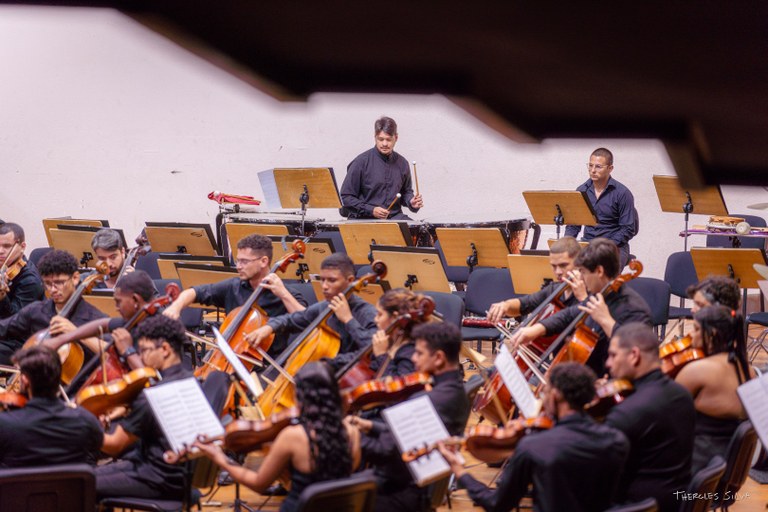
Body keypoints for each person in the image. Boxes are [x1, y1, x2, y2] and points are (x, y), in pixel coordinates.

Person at [440, 362, 629, 512]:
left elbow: (496, 504)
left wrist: (460, 472)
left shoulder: (535, 447)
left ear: (555, 396)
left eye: (545, 392)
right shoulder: (617, 441)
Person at [194, 361, 361, 511]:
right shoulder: (352, 432)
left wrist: (220, 458)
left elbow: (259, 484)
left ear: (301, 396)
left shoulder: (293, 437)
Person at [349, 321, 470, 512]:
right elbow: (407, 437)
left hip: (396, 494)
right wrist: (369, 426)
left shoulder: (427, 399)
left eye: (419, 353)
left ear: (438, 358)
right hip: (416, 487)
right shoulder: (456, 391)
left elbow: (383, 451)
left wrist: (348, 434)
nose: (413, 358)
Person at [510, 238, 651, 375]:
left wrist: (606, 321)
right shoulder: (599, 296)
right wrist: (537, 329)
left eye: (583, 272)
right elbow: (569, 314)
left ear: (599, 271)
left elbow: (637, 351)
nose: (581, 277)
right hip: (583, 377)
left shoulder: (633, 308)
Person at [96, 314, 196, 500]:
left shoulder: (153, 394)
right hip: (183, 476)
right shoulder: (191, 380)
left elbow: (115, 446)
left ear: (165, 349)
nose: (141, 357)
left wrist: (84, 426)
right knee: (88, 475)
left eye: (144, 350)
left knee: (80, 482)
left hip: (157, 479)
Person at [164, 234, 306, 358]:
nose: (238, 266)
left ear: (263, 261)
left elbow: (307, 321)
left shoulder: (286, 293)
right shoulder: (234, 286)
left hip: (268, 368)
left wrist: (283, 294)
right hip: (231, 361)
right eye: (238, 261)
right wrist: (176, 307)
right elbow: (195, 292)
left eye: (244, 261)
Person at [604, 322, 696, 512]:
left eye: (613, 355)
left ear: (634, 355)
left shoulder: (627, 412)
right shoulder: (682, 394)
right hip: (678, 500)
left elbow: (600, 470)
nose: (608, 363)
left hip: (637, 506)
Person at [245, 253, 377, 368]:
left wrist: (349, 321)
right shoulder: (325, 307)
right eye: (322, 279)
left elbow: (376, 349)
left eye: (331, 280)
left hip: (352, 382)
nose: (324, 286)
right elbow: (292, 319)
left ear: (350, 281)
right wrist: (268, 327)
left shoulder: (367, 312)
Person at [43, 270, 161, 392]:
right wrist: (64, 338)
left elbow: (152, 380)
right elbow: (103, 324)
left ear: (135, 300)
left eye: (118, 302)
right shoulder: (134, 319)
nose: (116, 307)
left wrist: (128, 351)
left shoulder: (159, 328)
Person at [676, 305, 755, 474]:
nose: (691, 335)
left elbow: (664, 413)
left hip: (695, 467)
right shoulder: (749, 370)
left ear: (711, 334)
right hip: (724, 468)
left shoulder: (699, 370)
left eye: (696, 329)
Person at [0, 345, 103, 468]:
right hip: (67, 487)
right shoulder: (86, 421)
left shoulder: (5, 425)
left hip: (19, 487)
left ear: (25, 380)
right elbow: (91, 465)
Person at [0, 249, 107, 365]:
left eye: (59, 282)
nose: (53, 290)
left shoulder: (94, 318)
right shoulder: (36, 311)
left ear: (75, 278)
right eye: (48, 283)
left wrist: (75, 332)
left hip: (80, 382)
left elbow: (111, 353)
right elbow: (3, 328)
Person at [336, 288, 434, 382]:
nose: (375, 319)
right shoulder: (391, 339)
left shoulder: (411, 350)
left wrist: (381, 355)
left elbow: (399, 388)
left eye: (380, 314)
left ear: (395, 317)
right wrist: (327, 361)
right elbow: (357, 357)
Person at [340, 116, 423, 220]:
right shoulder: (360, 162)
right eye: (381, 139)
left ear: (396, 138)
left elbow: (406, 192)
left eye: (388, 139)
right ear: (375, 137)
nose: (384, 144)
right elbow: (346, 197)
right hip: (365, 218)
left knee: (420, 233)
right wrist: (371, 210)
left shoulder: (403, 163)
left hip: (393, 217)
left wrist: (411, 201)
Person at [564, 148, 637, 268]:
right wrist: (566, 244)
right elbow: (573, 224)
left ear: (610, 168)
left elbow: (628, 229)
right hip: (588, 243)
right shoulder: (581, 190)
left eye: (598, 167)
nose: (592, 170)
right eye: (590, 165)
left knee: (603, 276)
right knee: (568, 269)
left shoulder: (623, 193)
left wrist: (604, 247)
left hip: (615, 246)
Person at [487, 236, 586, 324]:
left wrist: (584, 299)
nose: (558, 272)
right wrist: (505, 305)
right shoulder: (554, 290)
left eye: (563, 265)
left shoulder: (590, 291)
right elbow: (525, 303)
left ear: (579, 263)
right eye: (554, 266)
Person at [0, 222, 44, 319]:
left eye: (6, 246)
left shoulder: (30, 280)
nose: (0, 251)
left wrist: (2, 297)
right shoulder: (3, 266)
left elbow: (16, 321)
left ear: (22, 247)